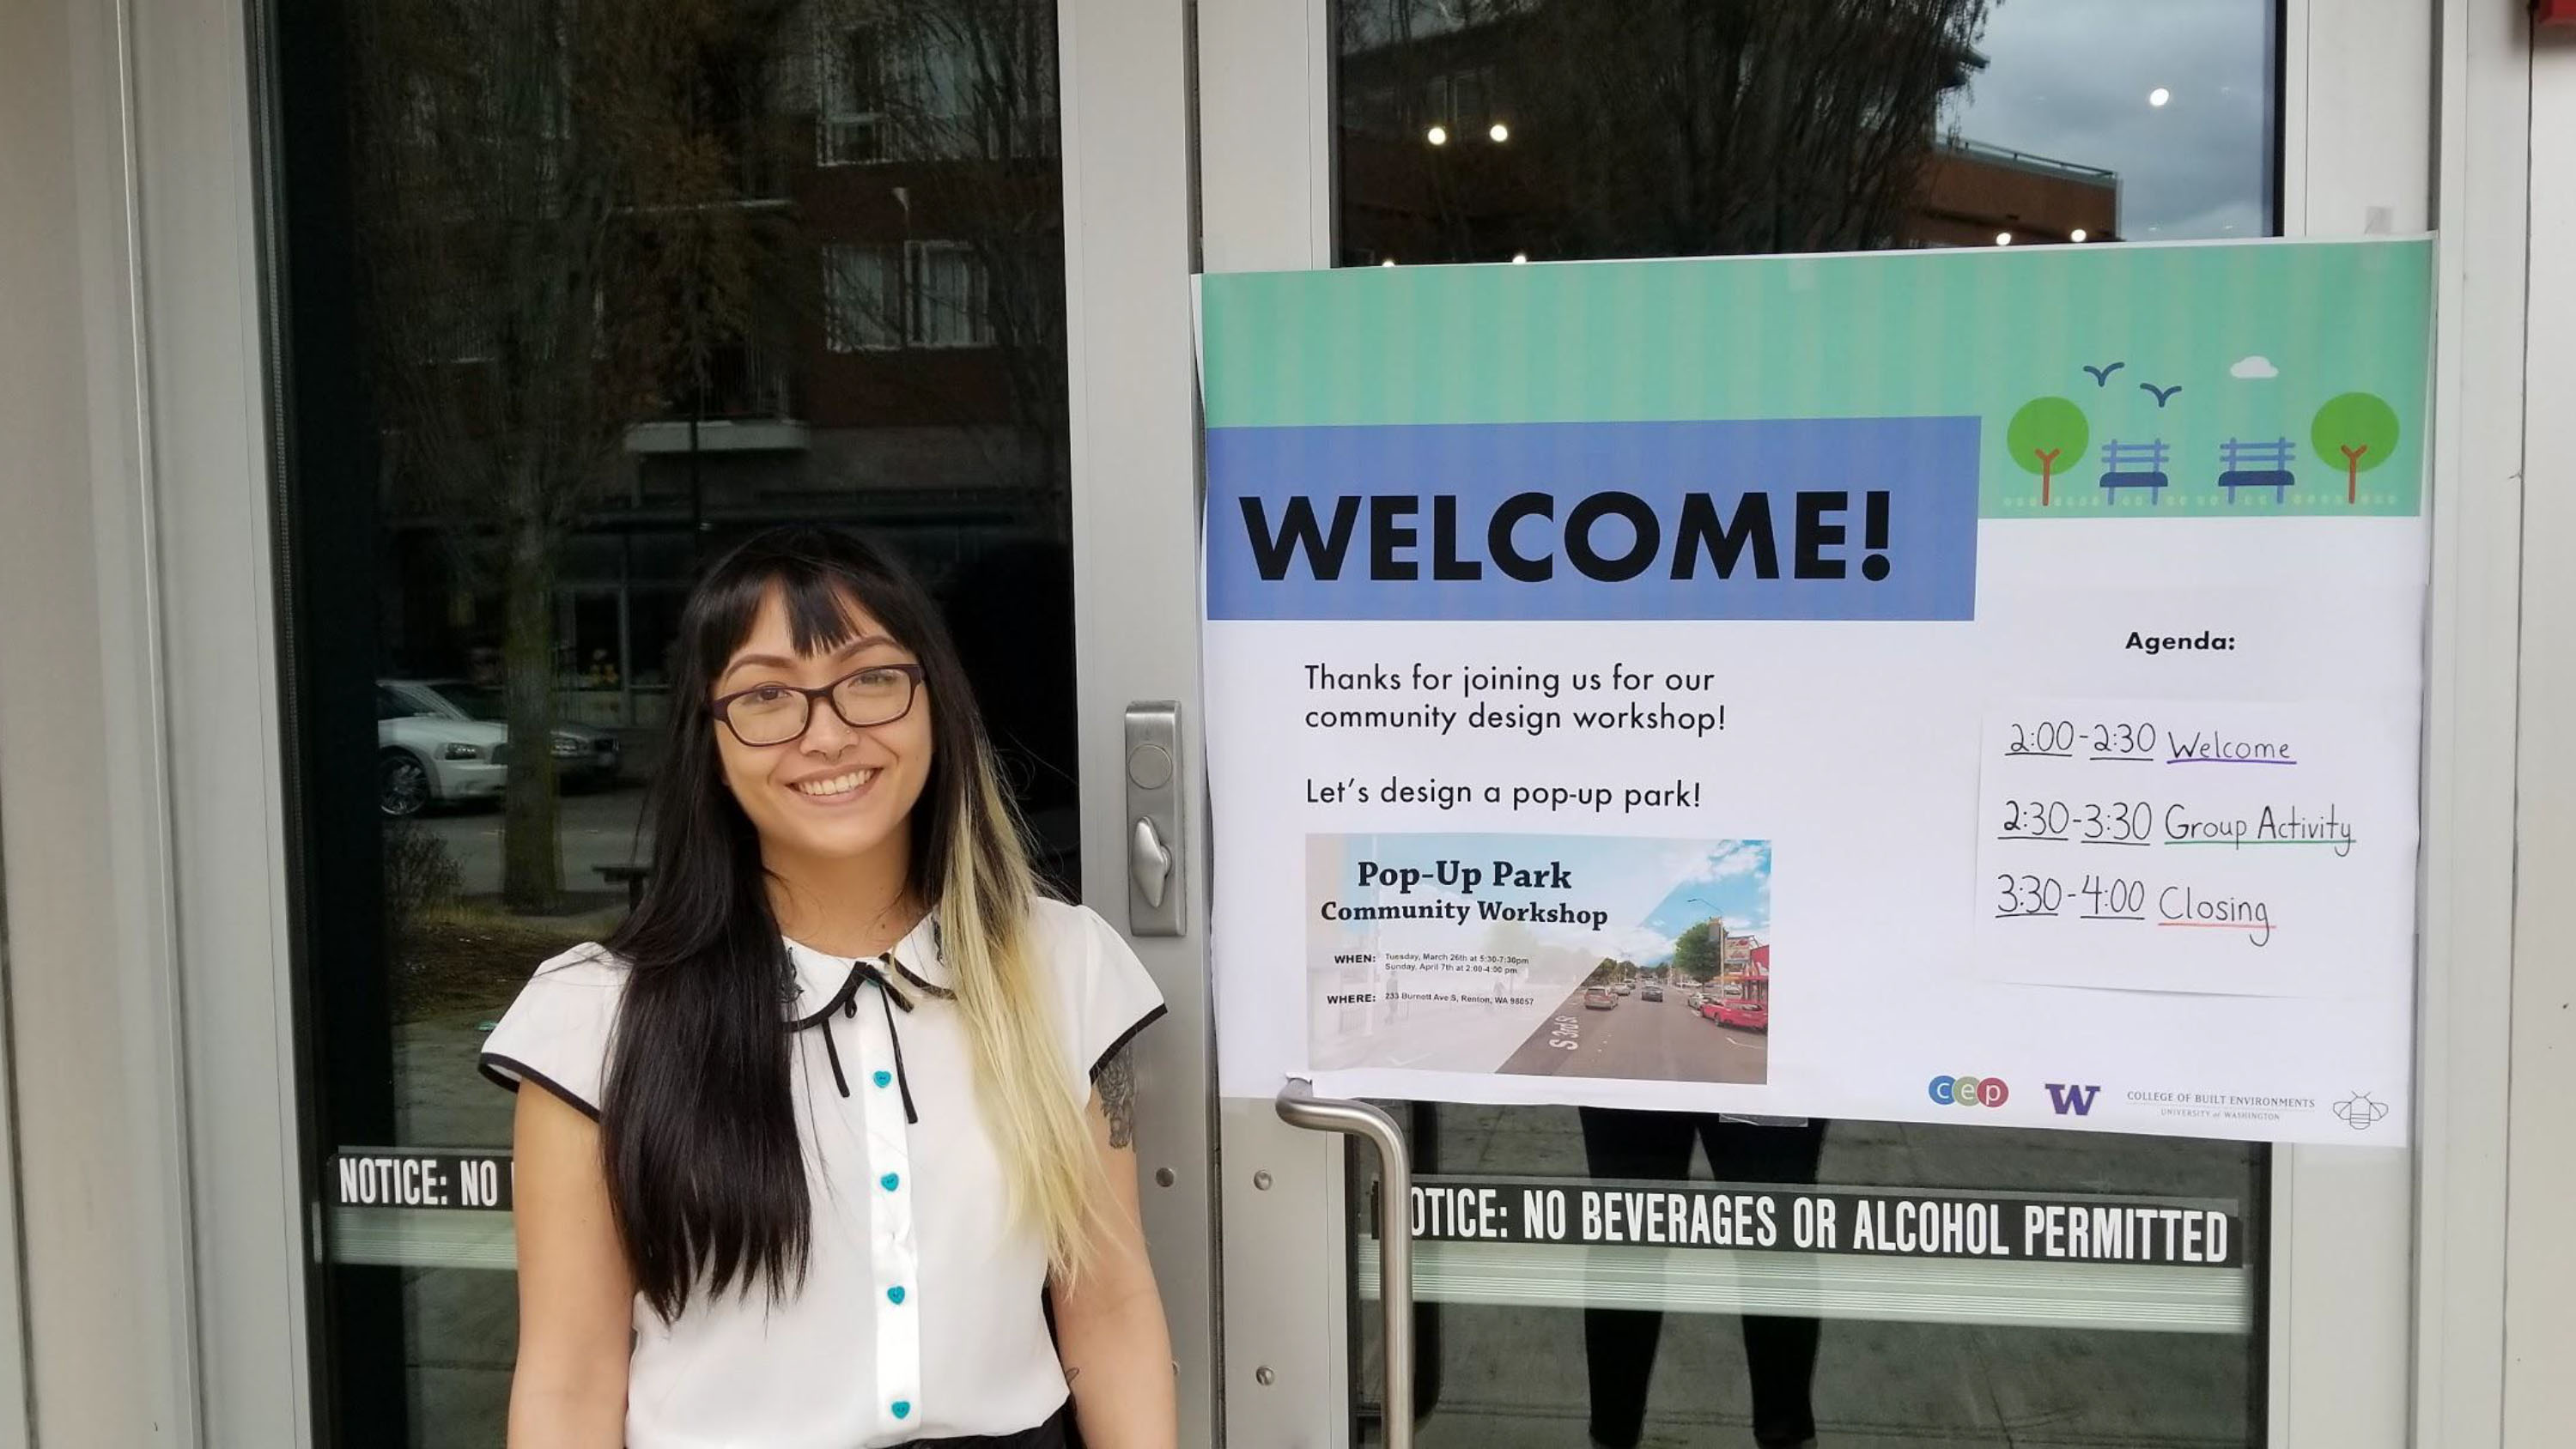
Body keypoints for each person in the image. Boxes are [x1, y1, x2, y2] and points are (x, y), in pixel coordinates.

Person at [480, 524, 1174, 1449]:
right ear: (709, 739)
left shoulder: (1061, 965)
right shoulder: (594, 1019)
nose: (829, 733)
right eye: (766, 695)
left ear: (935, 700)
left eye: (871, 678)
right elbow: (568, 1381)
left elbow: (1111, 1307)